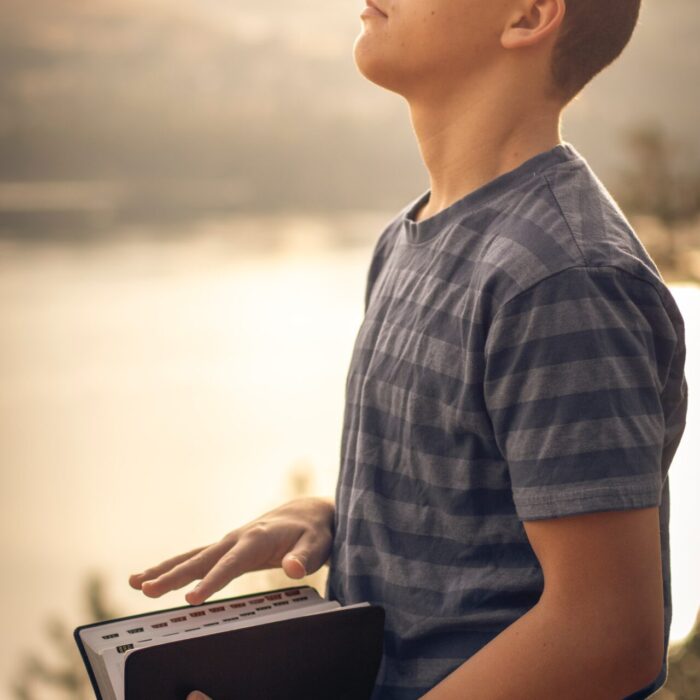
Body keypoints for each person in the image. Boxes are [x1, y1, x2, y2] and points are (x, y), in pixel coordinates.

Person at [129, 0, 690, 697]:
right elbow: (484, 505)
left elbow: (606, 635)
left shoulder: (560, 276)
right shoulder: (410, 237)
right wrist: (335, 516)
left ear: (529, 16)